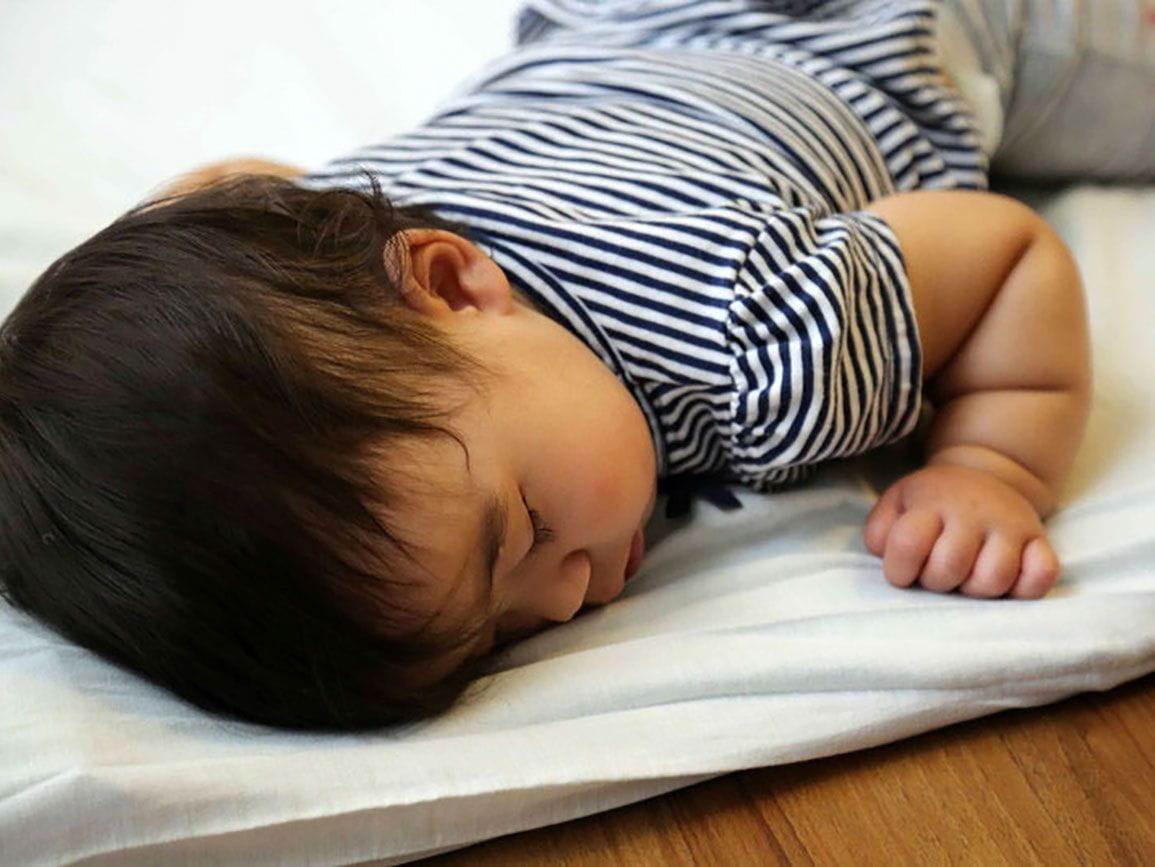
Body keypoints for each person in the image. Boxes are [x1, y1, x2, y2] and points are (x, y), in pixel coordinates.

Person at [0, 0, 1091, 730]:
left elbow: (1005, 254)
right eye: (495, 635)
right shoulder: (336, 238)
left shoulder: (758, 345)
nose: (567, 596)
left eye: (525, 528)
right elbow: (221, 188)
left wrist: (988, 464)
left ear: (455, 283)